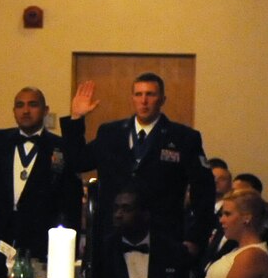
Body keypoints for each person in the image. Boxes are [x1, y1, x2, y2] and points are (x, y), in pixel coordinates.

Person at [63, 73, 210, 248]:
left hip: (163, 236)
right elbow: (78, 161)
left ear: (162, 99)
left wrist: (194, 238)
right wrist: (76, 118)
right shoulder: (111, 133)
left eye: (150, 94)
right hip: (112, 237)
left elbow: (204, 190)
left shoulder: (183, 137)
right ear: (132, 98)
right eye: (138, 94)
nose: (144, 101)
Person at [0, 87, 81, 251]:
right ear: (14, 111)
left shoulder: (59, 146)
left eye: (33, 105)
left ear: (45, 110)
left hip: (40, 238)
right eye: (20, 105)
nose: (25, 111)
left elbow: (70, 198)